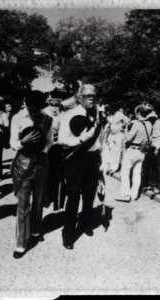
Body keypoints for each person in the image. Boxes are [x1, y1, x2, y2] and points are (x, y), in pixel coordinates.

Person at [58, 84, 103, 249]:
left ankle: (86, 224)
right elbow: (62, 140)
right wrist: (80, 140)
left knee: (90, 196)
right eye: (89, 96)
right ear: (79, 97)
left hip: (92, 160)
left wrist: (101, 159)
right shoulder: (68, 115)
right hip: (75, 159)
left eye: (94, 96)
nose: (92, 99)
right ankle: (68, 234)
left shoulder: (96, 115)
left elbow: (99, 140)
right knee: (74, 198)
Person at [10, 90, 52, 258]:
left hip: (41, 163)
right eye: (30, 107)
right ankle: (21, 242)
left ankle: (35, 229)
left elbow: (50, 142)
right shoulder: (18, 118)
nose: (32, 110)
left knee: (39, 200)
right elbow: (12, 143)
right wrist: (23, 142)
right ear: (26, 104)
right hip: (23, 164)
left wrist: (43, 148)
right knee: (22, 203)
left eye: (36, 107)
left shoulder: (48, 119)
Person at [116, 104, 153, 202]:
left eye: (136, 112)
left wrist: (126, 130)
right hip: (142, 151)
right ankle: (134, 195)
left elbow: (128, 138)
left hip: (132, 150)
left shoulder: (137, 124)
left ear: (139, 113)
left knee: (125, 172)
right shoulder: (149, 124)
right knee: (137, 173)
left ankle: (125, 195)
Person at [43, 97, 65, 210]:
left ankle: (55, 198)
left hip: (58, 146)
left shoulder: (61, 115)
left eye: (57, 105)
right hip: (46, 147)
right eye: (53, 105)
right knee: (46, 173)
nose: (55, 108)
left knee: (56, 173)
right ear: (49, 104)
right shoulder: (44, 113)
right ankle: (46, 198)